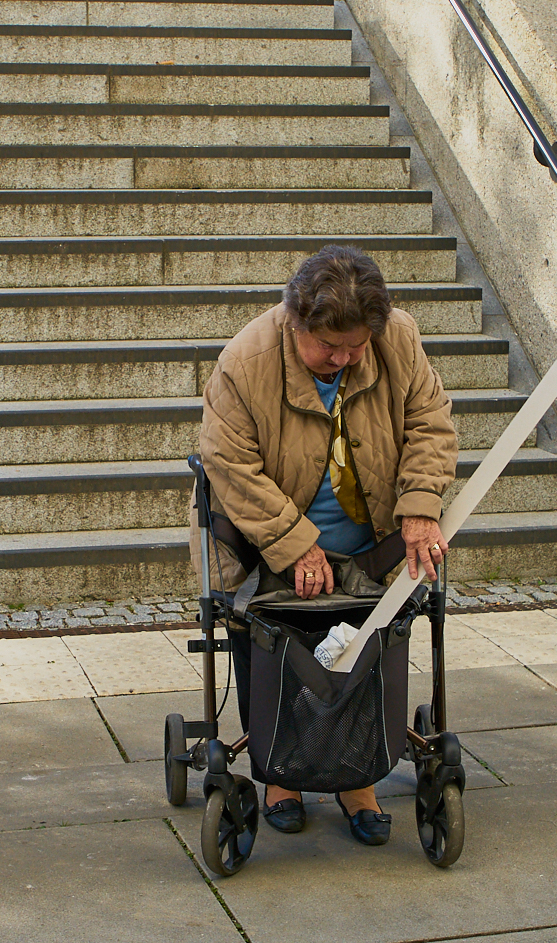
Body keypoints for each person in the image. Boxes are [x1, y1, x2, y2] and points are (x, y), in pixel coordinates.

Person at [194, 244, 457, 846]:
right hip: (269, 548)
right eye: (328, 347)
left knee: (366, 643)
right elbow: (228, 463)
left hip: (372, 546)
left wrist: (419, 506)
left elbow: (430, 421)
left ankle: (357, 778)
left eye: (355, 347)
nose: (342, 359)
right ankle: (280, 776)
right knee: (282, 643)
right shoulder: (246, 359)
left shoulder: (397, 339)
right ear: (296, 322)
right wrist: (294, 545)